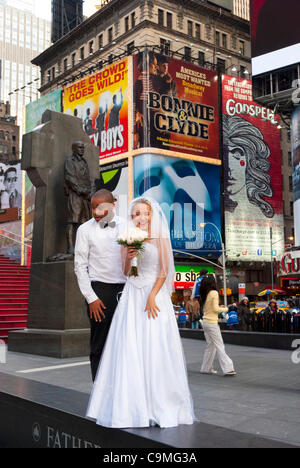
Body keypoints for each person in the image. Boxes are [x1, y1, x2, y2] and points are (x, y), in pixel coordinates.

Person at [86, 196, 195, 428]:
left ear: (151, 215)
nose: (141, 217)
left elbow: (165, 270)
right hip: (132, 295)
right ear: (132, 218)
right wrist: (130, 257)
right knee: (129, 348)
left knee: (155, 346)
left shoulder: (160, 238)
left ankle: (159, 402)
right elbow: (127, 273)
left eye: (144, 213)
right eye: (136, 214)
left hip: (153, 296)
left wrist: (153, 295)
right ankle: (132, 406)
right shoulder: (128, 239)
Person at [74, 189, 128, 381]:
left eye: (100, 207)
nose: (95, 212)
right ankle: (99, 390)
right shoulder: (84, 230)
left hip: (125, 291)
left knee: (124, 343)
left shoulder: (128, 226)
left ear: (113, 205)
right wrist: (91, 298)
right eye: (93, 207)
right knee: (99, 344)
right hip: (100, 291)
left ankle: (121, 388)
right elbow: (80, 267)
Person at [199, 275, 236, 376]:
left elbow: (210, 308)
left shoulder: (205, 294)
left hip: (205, 322)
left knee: (211, 346)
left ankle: (205, 368)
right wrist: (226, 309)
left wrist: (220, 307)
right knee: (219, 345)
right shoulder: (214, 293)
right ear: (212, 282)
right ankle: (228, 369)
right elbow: (215, 309)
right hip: (212, 323)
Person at [64, 141, 93, 255]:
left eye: (83, 148)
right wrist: (80, 190)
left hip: (85, 196)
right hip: (75, 195)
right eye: (80, 148)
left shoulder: (84, 162)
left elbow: (89, 178)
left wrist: (89, 192)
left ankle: (82, 247)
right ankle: (70, 247)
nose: (82, 149)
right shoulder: (69, 161)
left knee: (84, 222)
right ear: (74, 149)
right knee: (72, 221)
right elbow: (69, 177)